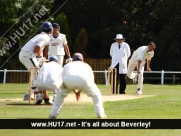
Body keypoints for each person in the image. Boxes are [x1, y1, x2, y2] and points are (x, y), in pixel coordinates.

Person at [49, 53, 107, 119]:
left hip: (68, 80)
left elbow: (63, 79)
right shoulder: (86, 65)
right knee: (96, 94)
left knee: (60, 95)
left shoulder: (67, 65)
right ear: (82, 60)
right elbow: (90, 80)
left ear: (73, 60)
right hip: (84, 80)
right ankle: (100, 114)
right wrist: (79, 91)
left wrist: (74, 91)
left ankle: (53, 114)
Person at [19, 22, 52, 100]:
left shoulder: (39, 35)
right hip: (28, 55)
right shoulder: (46, 38)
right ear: (50, 30)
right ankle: (29, 94)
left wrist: (41, 57)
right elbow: (36, 48)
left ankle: (31, 93)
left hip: (25, 54)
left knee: (36, 74)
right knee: (37, 74)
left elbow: (38, 49)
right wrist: (40, 57)